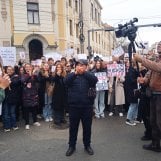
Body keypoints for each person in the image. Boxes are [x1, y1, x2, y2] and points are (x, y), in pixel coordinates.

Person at [64, 59, 98, 156]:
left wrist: (84, 72)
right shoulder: (71, 76)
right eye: (78, 65)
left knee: (87, 128)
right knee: (73, 128)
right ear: (75, 66)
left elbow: (95, 80)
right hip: (74, 107)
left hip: (87, 107)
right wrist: (75, 73)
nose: (80, 67)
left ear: (86, 67)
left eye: (82, 65)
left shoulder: (89, 75)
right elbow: (66, 82)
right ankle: (71, 146)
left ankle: (87, 145)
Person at [133, 41, 161, 152]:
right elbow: (150, 72)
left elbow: (157, 68)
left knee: (159, 122)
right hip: (154, 94)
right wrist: (144, 80)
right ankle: (155, 144)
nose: (159, 45)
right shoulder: (157, 59)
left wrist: (141, 59)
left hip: (160, 96)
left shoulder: (157, 62)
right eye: (159, 44)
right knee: (153, 121)